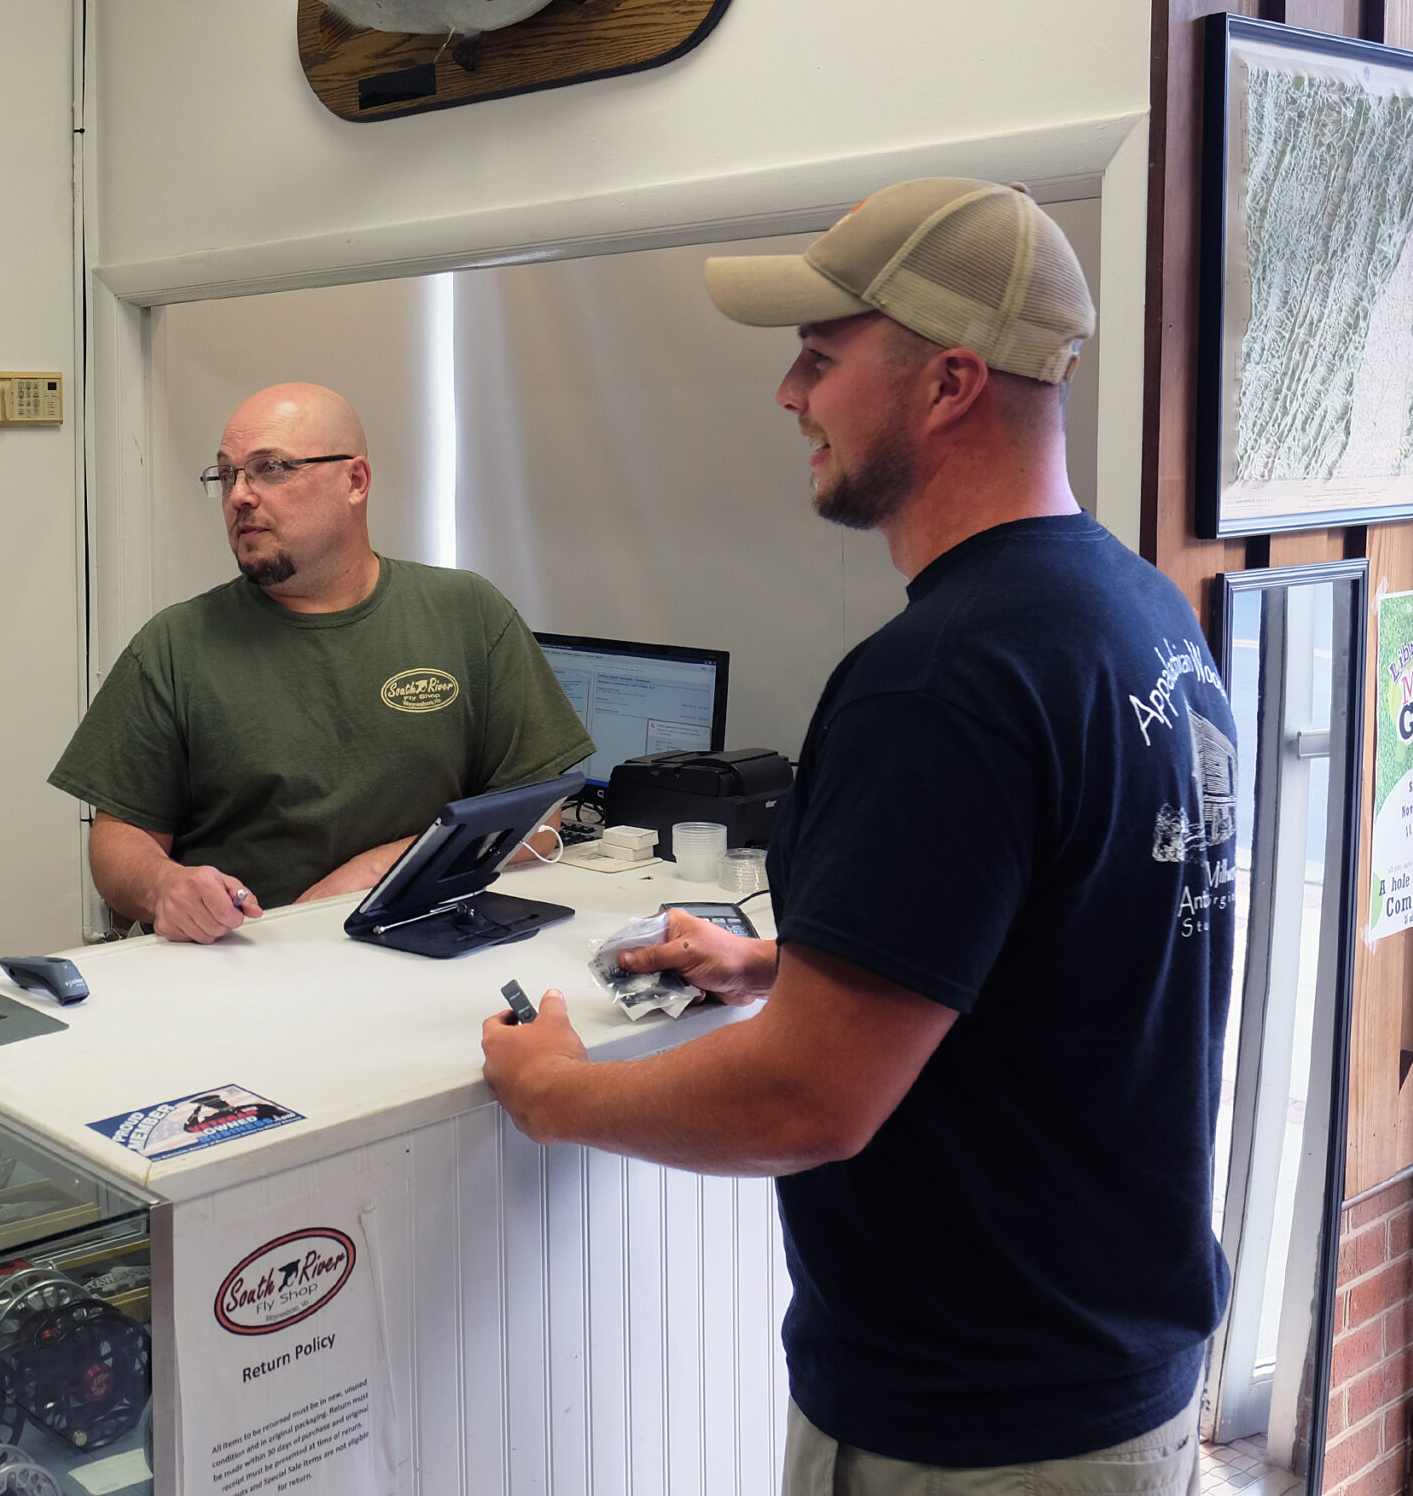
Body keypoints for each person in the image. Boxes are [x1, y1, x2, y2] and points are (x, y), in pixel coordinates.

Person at [479, 180, 1233, 1488]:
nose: (789, 395)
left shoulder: (943, 673)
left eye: (821, 359)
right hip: (1118, 1381)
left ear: (947, 384)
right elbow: (1070, 952)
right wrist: (788, 965)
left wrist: (556, 1092)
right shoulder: (1135, 613)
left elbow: (808, 1100)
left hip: (978, 1431)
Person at [50, 382, 590, 942]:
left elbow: (539, 823)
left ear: (354, 481)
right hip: (243, 962)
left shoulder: (466, 613)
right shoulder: (175, 645)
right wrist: (165, 885)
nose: (240, 496)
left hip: (422, 947)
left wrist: (375, 873)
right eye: (228, 474)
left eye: (271, 469)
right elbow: (117, 845)